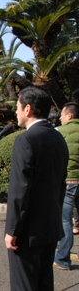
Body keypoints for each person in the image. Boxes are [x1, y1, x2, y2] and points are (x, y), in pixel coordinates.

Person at [4, 86, 68, 291]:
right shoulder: (58, 138)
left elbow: (20, 189)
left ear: (28, 108)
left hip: (28, 232)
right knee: (44, 283)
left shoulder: (25, 140)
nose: (15, 112)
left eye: (17, 107)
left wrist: (12, 229)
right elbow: (60, 184)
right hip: (50, 226)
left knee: (24, 285)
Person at [53, 102, 79, 270]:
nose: (60, 118)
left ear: (69, 116)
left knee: (65, 221)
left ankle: (62, 259)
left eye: (62, 115)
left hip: (68, 182)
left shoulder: (59, 133)